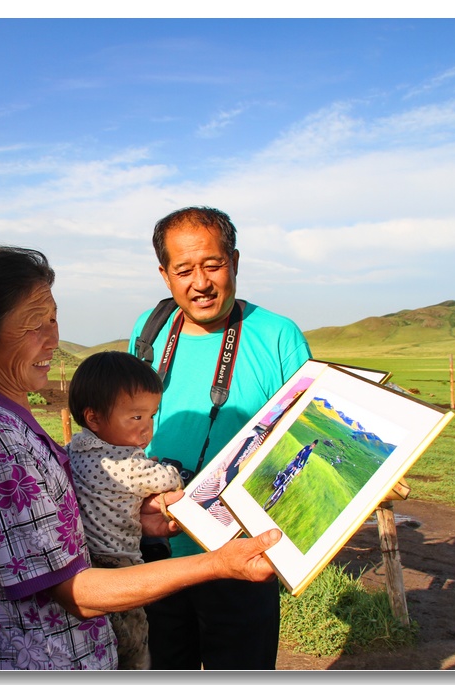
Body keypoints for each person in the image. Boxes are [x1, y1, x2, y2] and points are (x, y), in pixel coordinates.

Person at [0, 245, 282, 670]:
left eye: (52, 318)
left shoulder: (0, 419)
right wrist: (217, 564)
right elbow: (78, 593)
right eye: (34, 325)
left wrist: (128, 513)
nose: (53, 338)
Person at [128, 206, 312, 670]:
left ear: (234, 261)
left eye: (212, 265)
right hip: (157, 552)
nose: (201, 283)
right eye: (183, 270)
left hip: (241, 554)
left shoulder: (277, 337)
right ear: (164, 274)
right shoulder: (147, 332)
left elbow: (306, 441)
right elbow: (123, 432)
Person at [65, 351, 185, 669]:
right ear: (94, 418)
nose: (147, 429)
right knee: (134, 643)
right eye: (136, 417)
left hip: (84, 565)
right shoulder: (128, 465)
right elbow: (167, 478)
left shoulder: (72, 451)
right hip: (121, 566)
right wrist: (168, 472)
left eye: (151, 416)